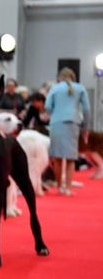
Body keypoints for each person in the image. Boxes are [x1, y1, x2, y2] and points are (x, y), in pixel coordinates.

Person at [45, 67, 90, 196]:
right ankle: (68, 188)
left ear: (59, 77)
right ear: (73, 77)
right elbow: (86, 109)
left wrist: (55, 113)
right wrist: (86, 127)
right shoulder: (80, 88)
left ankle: (60, 187)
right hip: (73, 123)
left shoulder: (55, 88)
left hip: (56, 123)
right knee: (71, 158)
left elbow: (47, 106)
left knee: (57, 157)